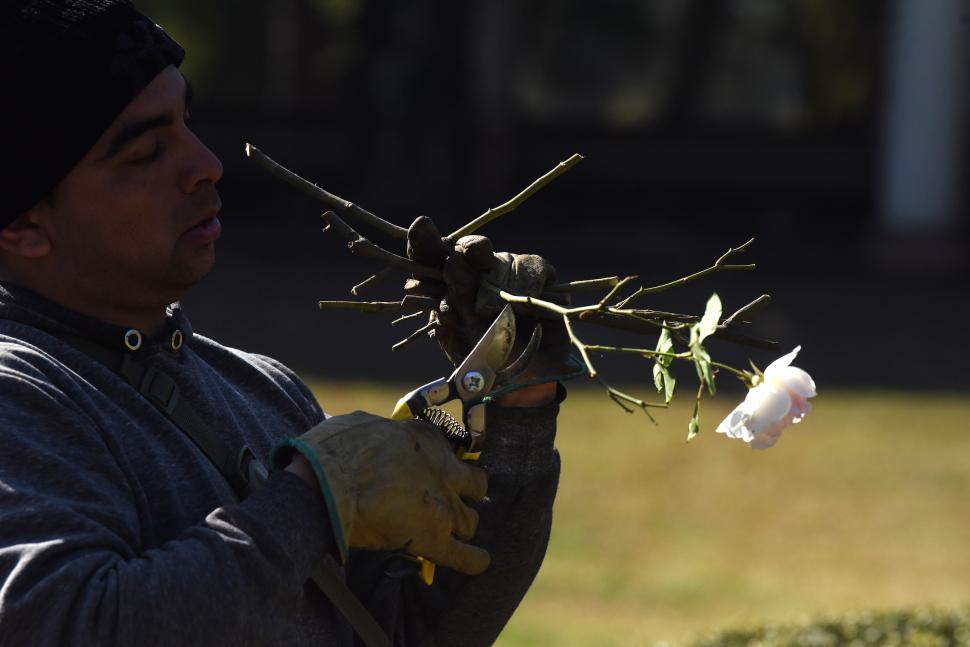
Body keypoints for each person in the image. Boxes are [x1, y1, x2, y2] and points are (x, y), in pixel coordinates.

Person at [0, 2, 569, 645]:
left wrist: (515, 398)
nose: (204, 164)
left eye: (188, 122)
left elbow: (411, 631)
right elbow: (65, 626)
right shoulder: (18, 395)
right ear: (23, 225)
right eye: (145, 153)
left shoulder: (260, 387)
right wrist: (315, 499)